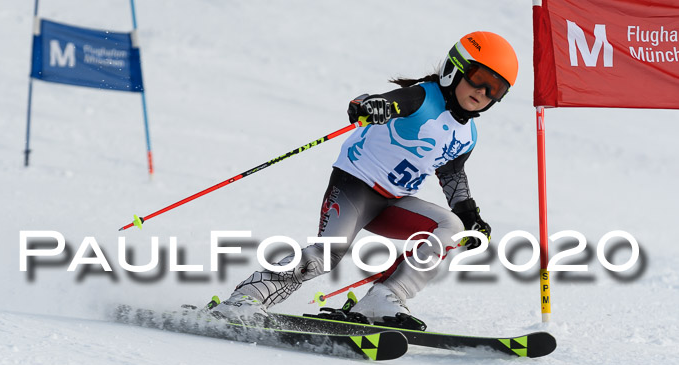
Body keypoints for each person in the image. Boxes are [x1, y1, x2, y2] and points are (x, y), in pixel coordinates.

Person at [210, 31, 519, 326]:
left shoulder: (468, 134)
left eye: (496, 89)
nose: (484, 92)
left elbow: (451, 173)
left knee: (450, 226)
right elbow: (384, 101)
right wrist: (370, 106)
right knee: (326, 255)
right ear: (455, 68)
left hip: (394, 202)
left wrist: (469, 213)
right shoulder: (422, 97)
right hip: (355, 186)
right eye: (480, 79)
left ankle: (386, 298)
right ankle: (244, 300)